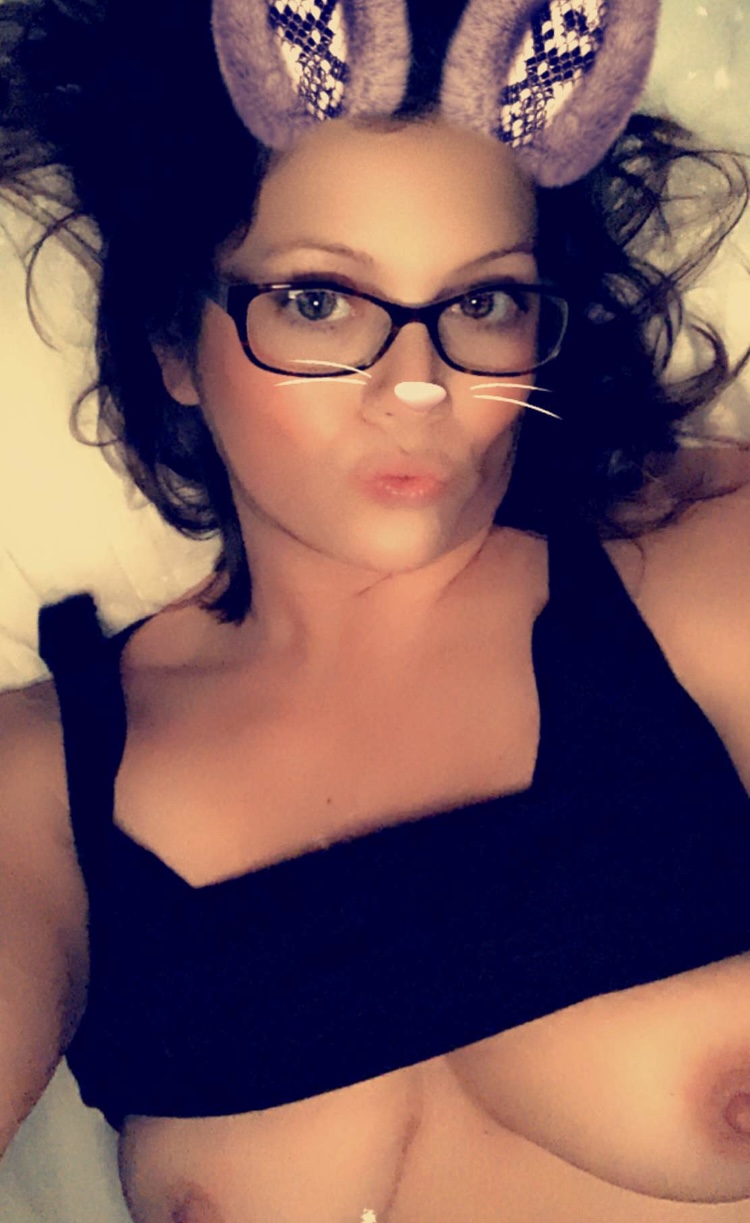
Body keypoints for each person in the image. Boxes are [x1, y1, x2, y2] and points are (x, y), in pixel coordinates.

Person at [1, 0, 750, 1219]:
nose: (418, 385)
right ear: (174, 344)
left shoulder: (703, 573)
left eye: (483, 303)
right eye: (318, 301)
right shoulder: (41, 781)